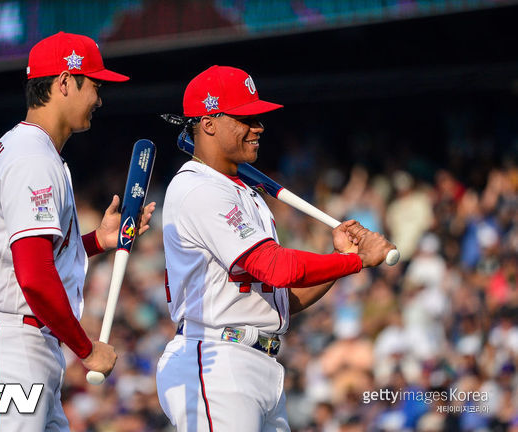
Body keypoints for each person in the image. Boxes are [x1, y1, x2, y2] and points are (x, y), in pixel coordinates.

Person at [156, 65, 394, 432]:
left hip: (259, 362)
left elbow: (285, 297)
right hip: (216, 360)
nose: (259, 127)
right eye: (245, 117)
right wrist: (357, 262)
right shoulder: (198, 188)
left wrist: (345, 259)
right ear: (208, 123)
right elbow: (276, 267)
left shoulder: (246, 193)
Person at [0, 32, 155, 431]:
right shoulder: (32, 158)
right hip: (5, 346)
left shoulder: (27, 150)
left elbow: (28, 256)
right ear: (63, 82)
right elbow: (34, 276)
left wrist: (96, 241)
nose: (100, 97)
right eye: (94, 84)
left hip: (18, 343)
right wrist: (86, 348)